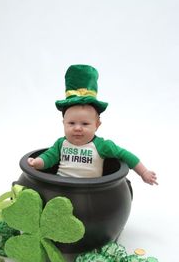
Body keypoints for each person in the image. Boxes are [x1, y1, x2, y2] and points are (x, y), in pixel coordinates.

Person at [28, 64, 158, 185]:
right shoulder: (61, 144)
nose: (77, 128)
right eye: (71, 123)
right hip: (62, 186)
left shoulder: (102, 146)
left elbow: (126, 155)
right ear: (63, 123)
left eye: (85, 124)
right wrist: (37, 162)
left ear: (97, 125)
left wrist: (143, 172)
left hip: (89, 192)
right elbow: (48, 157)